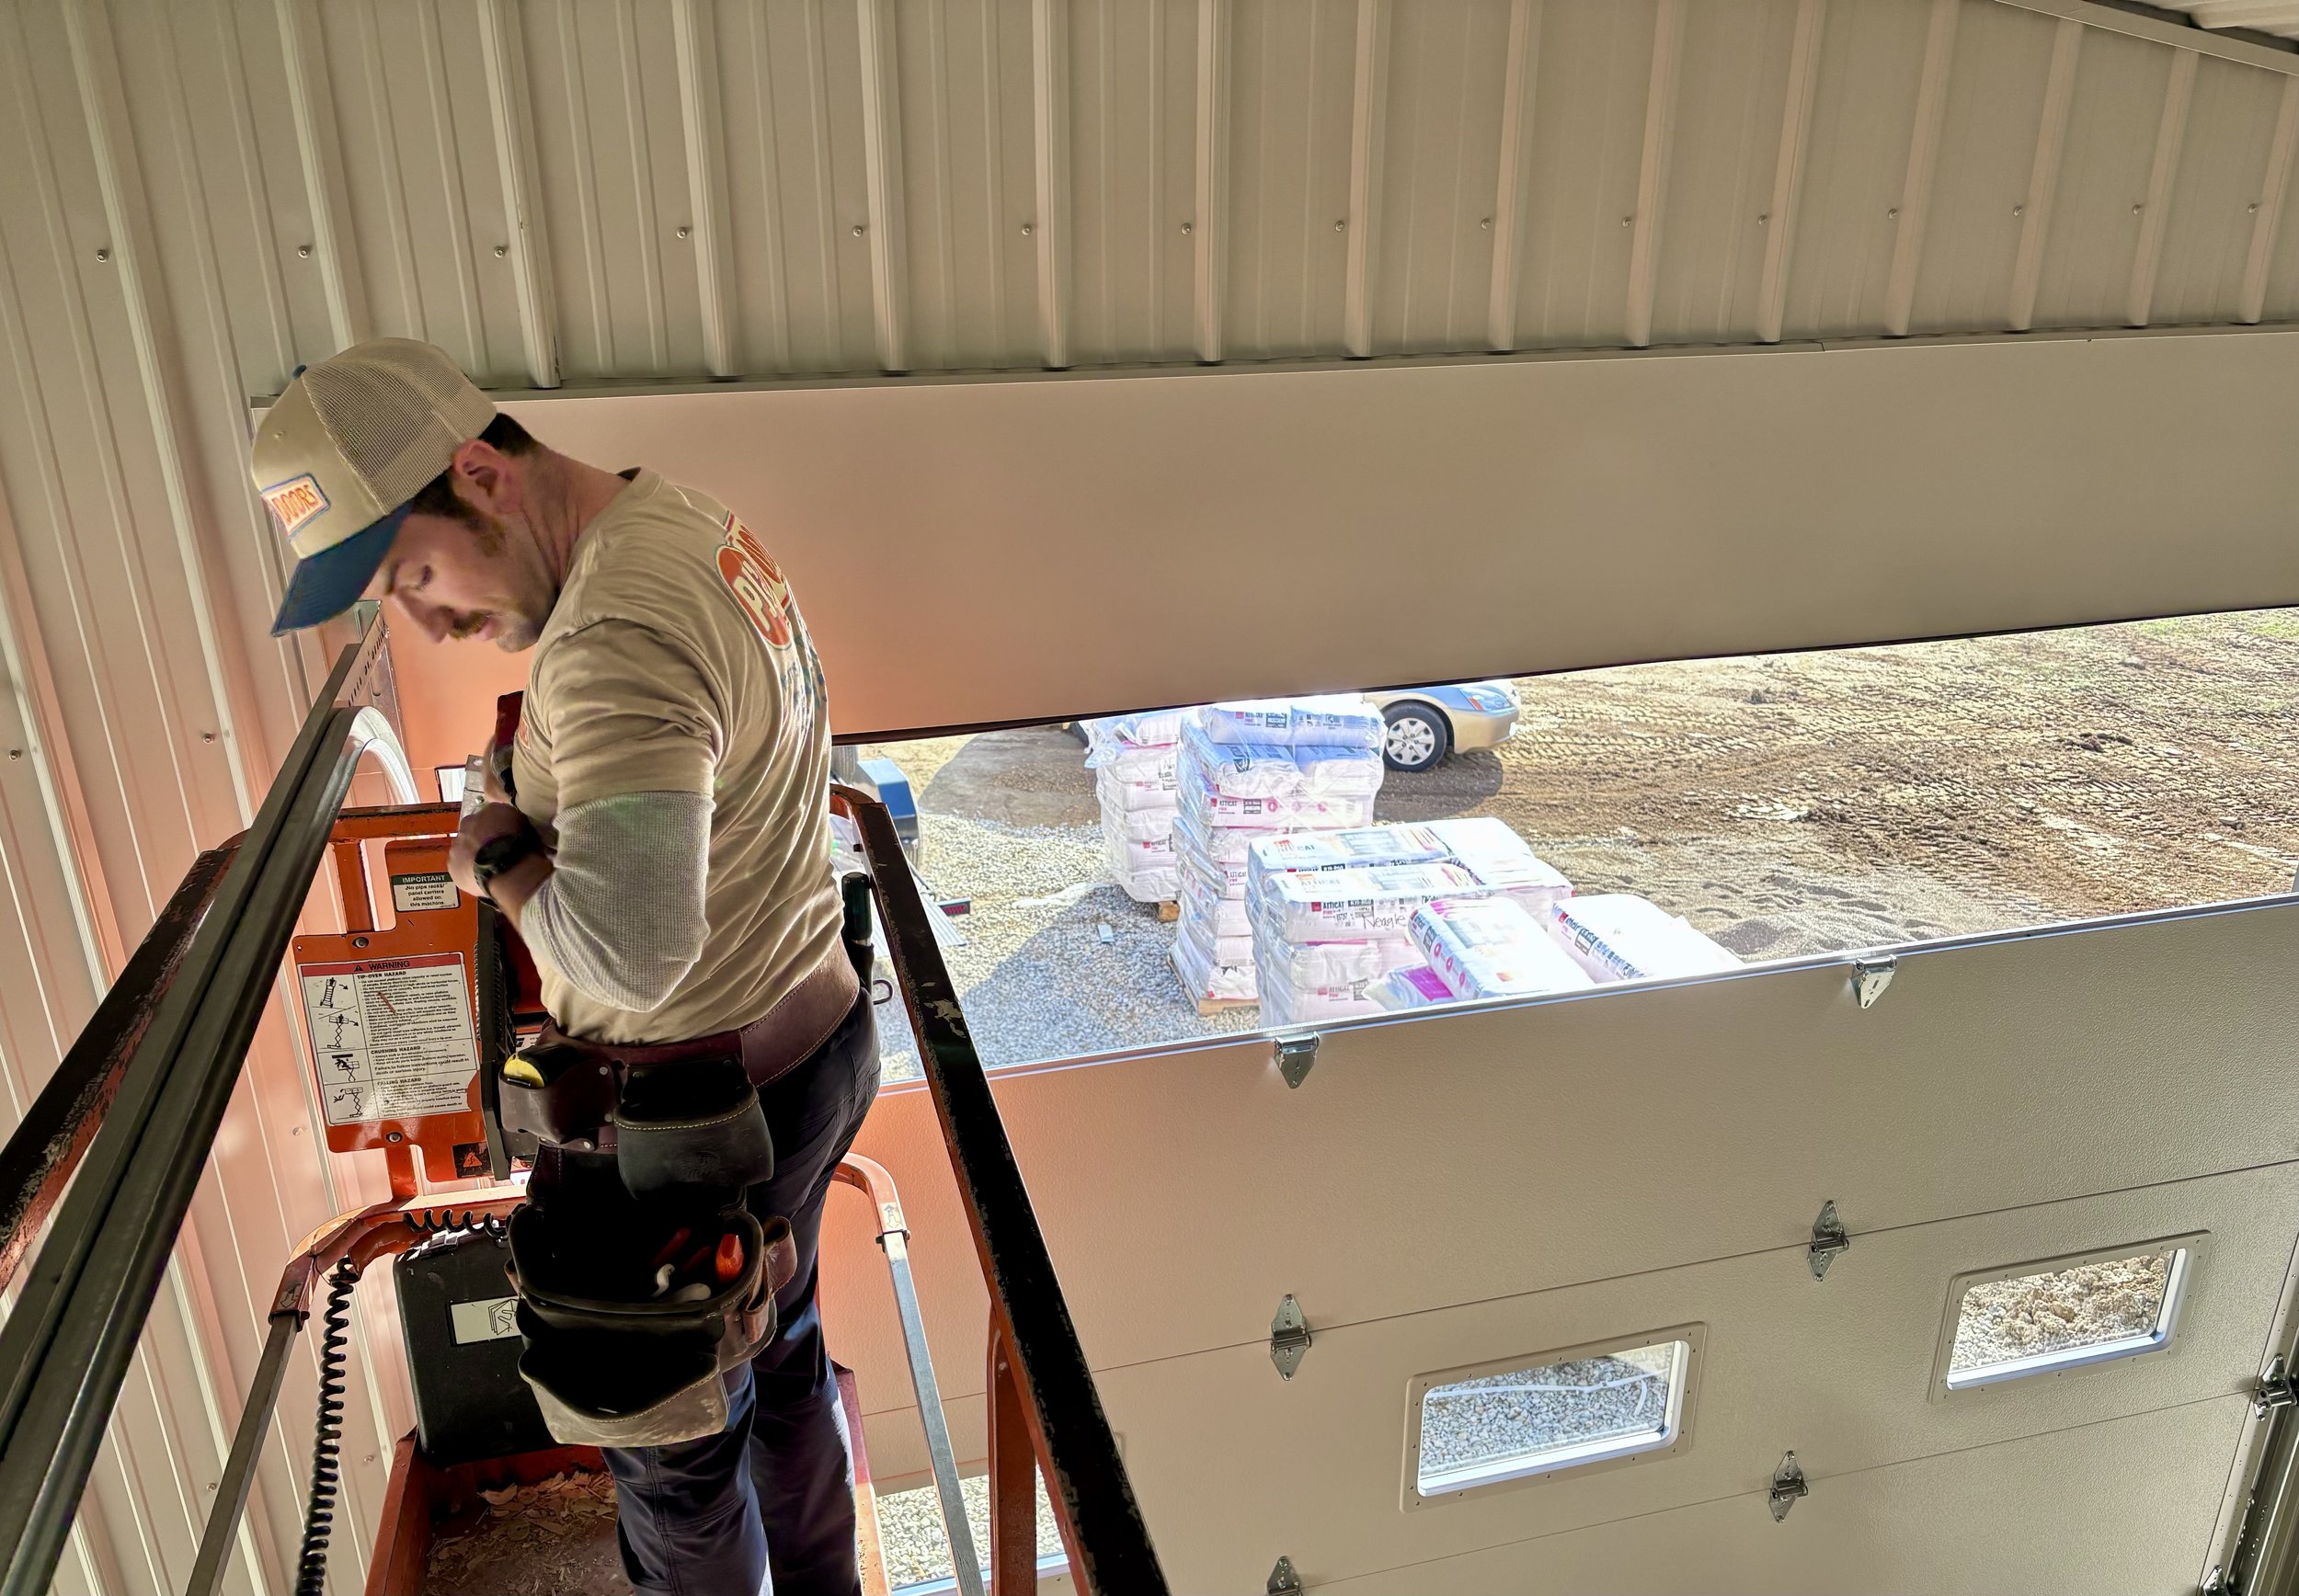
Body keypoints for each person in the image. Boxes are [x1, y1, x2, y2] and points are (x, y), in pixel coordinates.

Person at [254, 337, 875, 1595]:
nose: (430, 620)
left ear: (479, 474)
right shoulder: (681, 523)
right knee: (780, 1351)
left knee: (674, 1452)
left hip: (691, 1128)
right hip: (806, 1039)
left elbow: (631, 958)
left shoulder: (611, 635)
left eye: (414, 574)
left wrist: (497, 856)